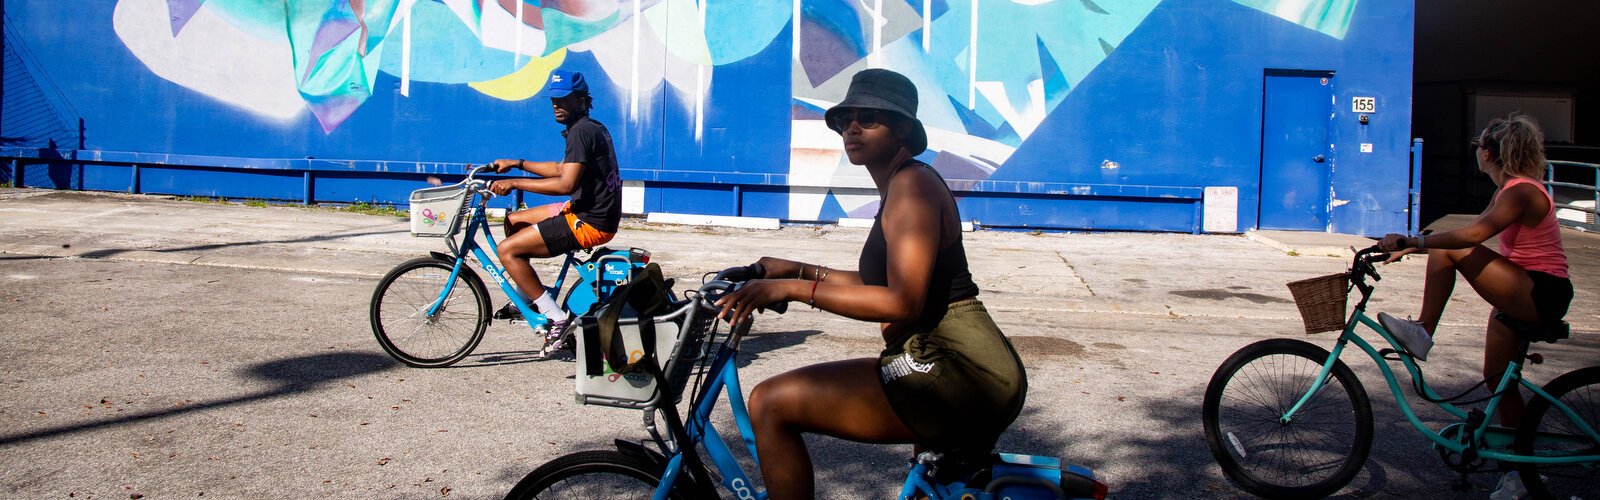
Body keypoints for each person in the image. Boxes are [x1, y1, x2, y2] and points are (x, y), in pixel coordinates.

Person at [714, 69, 1028, 499]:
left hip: (957, 368)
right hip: (946, 359)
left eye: (869, 118)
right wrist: (796, 269)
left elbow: (901, 302)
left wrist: (792, 290)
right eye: (846, 121)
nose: (852, 128)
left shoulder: (912, 187)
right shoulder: (901, 184)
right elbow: (873, 281)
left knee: (770, 403)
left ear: (902, 128)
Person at [1376, 114, 1572, 428]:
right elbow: (1467, 231)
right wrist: (1414, 246)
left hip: (1541, 290)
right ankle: (1519, 469)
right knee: (1496, 381)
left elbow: (1471, 238)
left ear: (1486, 154)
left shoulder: (1520, 192)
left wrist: (1416, 239)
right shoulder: (1507, 190)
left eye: (1478, 146)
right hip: (1524, 288)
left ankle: (1423, 330)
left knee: (1449, 249)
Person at [488, 69, 623, 331]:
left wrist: (515, 183)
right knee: (515, 220)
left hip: (590, 221)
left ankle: (555, 317)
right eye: (553, 99)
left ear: (581, 99)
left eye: (563, 98)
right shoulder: (589, 127)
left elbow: (566, 184)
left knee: (507, 250)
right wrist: (518, 163)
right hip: (587, 209)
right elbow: (563, 169)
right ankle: (527, 295)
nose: (556, 105)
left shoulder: (581, 132)